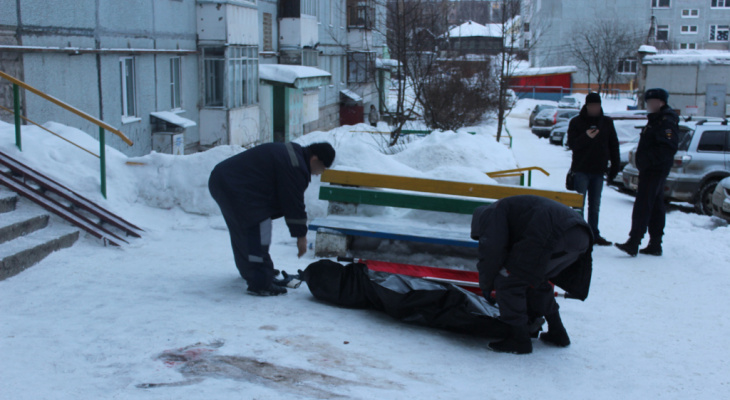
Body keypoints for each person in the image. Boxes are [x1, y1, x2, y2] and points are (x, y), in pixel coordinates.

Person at [208, 142, 336, 296]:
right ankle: (260, 282)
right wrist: (300, 236)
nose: (318, 173)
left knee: (244, 231)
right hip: (236, 186)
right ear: (315, 159)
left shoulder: (294, 153)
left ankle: (255, 272)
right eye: (321, 169)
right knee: (258, 231)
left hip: (225, 179)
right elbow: (293, 202)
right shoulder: (296, 166)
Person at [471, 195, 594, 354]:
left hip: (554, 233)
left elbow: (491, 251)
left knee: (508, 281)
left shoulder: (490, 215)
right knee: (535, 280)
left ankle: (519, 340)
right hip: (581, 234)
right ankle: (558, 332)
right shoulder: (507, 208)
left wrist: (486, 285)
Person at [616, 88, 679, 257]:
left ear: (661, 102)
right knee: (656, 206)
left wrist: (647, 161)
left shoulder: (665, 121)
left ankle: (634, 242)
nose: (649, 105)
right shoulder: (657, 119)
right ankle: (655, 244)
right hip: (652, 169)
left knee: (643, 205)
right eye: (648, 102)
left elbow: (668, 147)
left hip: (654, 170)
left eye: (652, 102)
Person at [567, 92, 620, 246]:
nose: (594, 109)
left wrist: (614, 167)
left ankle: (593, 233)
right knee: (578, 204)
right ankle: (578, 233)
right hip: (581, 169)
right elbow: (572, 144)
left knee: (595, 205)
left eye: (597, 106)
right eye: (591, 106)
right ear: (587, 106)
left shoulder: (606, 123)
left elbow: (613, 145)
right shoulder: (576, 122)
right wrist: (586, 137)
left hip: (598, 170)